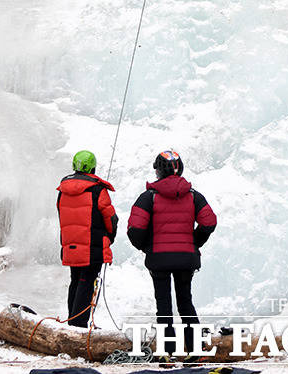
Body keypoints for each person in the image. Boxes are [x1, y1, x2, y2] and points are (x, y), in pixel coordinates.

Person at [127, 149, 217, 359]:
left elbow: (135, 229)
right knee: (186, 301)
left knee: (164, 306)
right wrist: (195, 242)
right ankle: (195, 349)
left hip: (159, 259)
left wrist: (147, 247)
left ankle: (167, 352)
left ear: (158, 171)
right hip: (186, 258)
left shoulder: (149, 197)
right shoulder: (194, 196)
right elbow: (209, 222)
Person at [56, 150, 118, 328]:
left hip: (70, 245)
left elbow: (62, 216)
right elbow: (111, 219)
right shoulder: (98, 190)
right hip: (93, 246)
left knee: (75, 280)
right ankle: (79, 324)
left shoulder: (62, 190)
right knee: (87, 281)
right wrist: (109, 238)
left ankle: (72, 320)